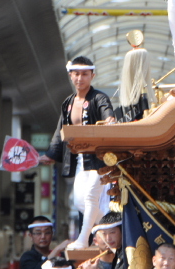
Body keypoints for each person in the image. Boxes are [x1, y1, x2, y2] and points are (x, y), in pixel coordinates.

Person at [40, 56, 116, 249]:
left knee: (90, 196)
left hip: (100, 158)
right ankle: (111, 224)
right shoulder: (68, 102)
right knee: (79, 201)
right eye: (76, 74)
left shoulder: (99, 98)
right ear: (70, 76)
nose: (80, 78)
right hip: (80, 159)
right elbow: (60, 131)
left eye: (84, 74)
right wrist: (51, 154)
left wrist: (109, 120)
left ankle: (83, 239)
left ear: (92, 76)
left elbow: (107, 112)